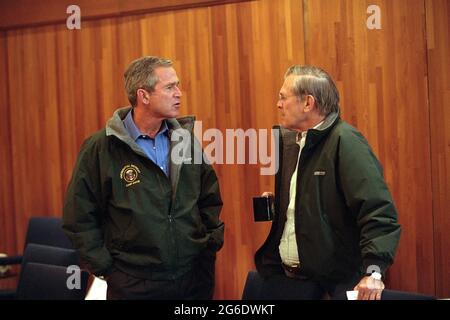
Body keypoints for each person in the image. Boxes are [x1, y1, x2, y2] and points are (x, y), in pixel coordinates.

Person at [62, 56, 224, 300]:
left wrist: (208, 247)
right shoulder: (101, 148)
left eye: (178, 85)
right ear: (143, 96)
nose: (179, 93)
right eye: (170, 87)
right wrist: (108, 269)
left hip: (193, 279)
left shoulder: (186, 140)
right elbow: (78, 216)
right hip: (133, 284)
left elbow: (209, 199)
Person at [254, 65, 401, 300]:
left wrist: (374, 272)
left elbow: (379, 213)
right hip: (291, 282)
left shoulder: (347, 142)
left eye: (283, 97)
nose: (278, 104)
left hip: (333, 286)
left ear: (307, 103)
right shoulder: (294, 141)